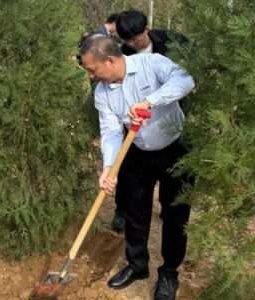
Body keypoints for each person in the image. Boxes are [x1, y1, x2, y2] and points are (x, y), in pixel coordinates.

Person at [79, 36, 194, 300]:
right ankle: (137, 265)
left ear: (109, 60)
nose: (92, 75)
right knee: (135, 213)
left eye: (92, 69)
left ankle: (168, 273)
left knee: (175, 215)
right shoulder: (102, 93)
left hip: (176, 149)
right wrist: (109, 166)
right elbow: (110, 132)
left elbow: (186, 81)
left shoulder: (151, 64)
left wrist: (149, 101)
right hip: (137, 152)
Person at [110, 9, 189, 233]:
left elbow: (186, 75)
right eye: (127, 41)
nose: (132, 44)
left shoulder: (173, 42)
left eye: (136, 39)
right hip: (136, 120)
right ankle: (122, 210)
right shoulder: (121, 54)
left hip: (171, 114)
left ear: (147, 30)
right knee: (127, 168)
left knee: (172, 171)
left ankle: (168, 207)